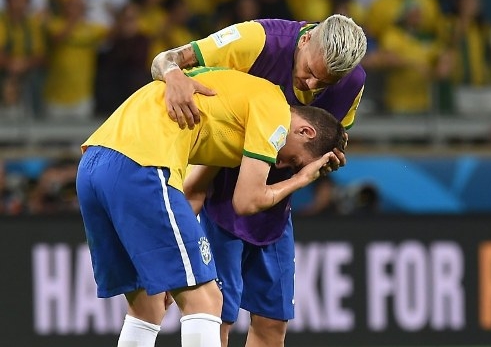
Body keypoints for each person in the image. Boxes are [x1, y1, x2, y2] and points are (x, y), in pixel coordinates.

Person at [76, 67, 344, 347]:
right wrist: (301, 179)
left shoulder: (235, 107)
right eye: (295, 161)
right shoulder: (274, 108)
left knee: (146, 304)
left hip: (94, 163)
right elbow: (247, 201)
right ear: (305, 131)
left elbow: (193, 191)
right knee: (206, 299)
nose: (281, 164)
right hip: (142, 163)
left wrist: (173, 257)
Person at [150, 13, 366, 347]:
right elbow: (165, 59)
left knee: (272, 324)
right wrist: (173, 74)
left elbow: (327, 142)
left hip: (273, 207)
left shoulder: (352, 82)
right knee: (216, 319)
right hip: (216, 185)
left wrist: (323, 161)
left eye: (324, 83)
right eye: (310, 72)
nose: (311, 87)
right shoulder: (257, 40)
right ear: (306, 39)